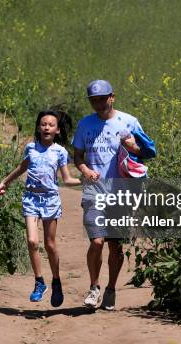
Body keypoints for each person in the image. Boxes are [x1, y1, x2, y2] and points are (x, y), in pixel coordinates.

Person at [72, 79, 155, 310]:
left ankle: (111, 288)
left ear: (112, 97)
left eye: (102, 99)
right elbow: (77, 156)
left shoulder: (129, 121)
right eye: (93, 100)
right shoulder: (85, 124)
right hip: (94, 191)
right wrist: (86, 170)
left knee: (116, 247)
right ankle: (94, 287)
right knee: (97, 241)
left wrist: (131, 146)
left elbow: (146, 152)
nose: (98, 104)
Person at [0, 111, 81, 307]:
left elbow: (67, 179)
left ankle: (56, 281)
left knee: (50, 245)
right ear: (38, 127)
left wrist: (86, 180)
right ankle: (39, 282)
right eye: (43, 124)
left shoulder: (60, 152)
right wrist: (4, 182)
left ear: (57, 130)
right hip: (31, 199)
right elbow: (21, 168)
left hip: (50, 200)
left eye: (51, 125)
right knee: (32, 241)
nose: (46, 127)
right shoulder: (31, 148)